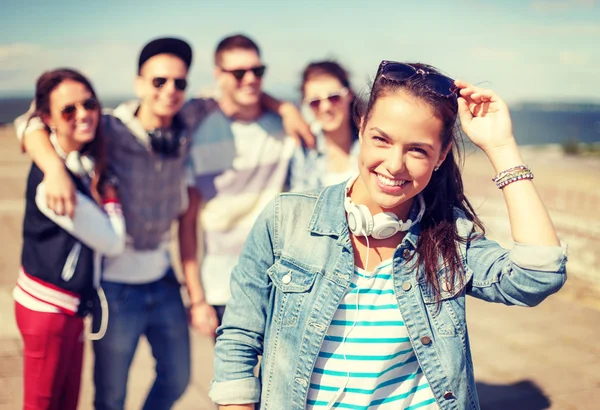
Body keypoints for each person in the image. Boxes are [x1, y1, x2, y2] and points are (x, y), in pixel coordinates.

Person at [208, 60, 568, 410]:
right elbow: (239, 339)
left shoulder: (448, 236)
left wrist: (502, 149)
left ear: (441, 156)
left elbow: (537, 277)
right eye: (381, 139)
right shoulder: (285, 218)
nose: (394, 165)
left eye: (417, 150)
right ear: (361, 127)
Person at [15, 37, 311, 410]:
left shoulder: (189, 118)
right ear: (139, 83)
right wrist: (53, 167)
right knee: (110, 396)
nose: (170, 90)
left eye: (179, 82)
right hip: (115, 286)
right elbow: (29, 121)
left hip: (164, 279)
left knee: (177, 377)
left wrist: (284, 107)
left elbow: (239, 94)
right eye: (159, 81)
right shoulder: (110, 128)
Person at [179, 34, 312, 336]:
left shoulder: (285, 125)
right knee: (236, 384)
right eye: (238, 73)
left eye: (257, 70)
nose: (250, 79)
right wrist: (197, 299)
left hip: (282, 283)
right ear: (218, 75)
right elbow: (187, 223)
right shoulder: (197, 131)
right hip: (222, 289)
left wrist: (286, 109)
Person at [14, 68, 125, 410]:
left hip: (69, 307)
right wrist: (110, 195)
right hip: (49, 309)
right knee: (43, 403)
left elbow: (27, 123)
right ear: (49, 119)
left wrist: (57, 165)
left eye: (89, 104)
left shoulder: (77, 161)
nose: (83, 115)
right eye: (68, 110)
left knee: (65, 403)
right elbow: (113, 242)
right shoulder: (54, 185)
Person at [290, 60, 361, 191]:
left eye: (334, 97)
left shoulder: (370, 143)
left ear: (349, 94)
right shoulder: (303, 151)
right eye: (315, 102)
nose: (325, 107)